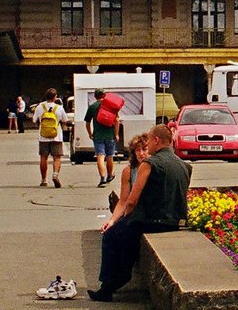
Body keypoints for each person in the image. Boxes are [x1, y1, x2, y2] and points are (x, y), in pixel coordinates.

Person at [88, 125, 191, 303]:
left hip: (151, 221)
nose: (147, 145)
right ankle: (116, 279)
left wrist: (125, 219)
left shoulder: (149, 164)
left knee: (112, 235)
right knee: (126, 237)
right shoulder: (184, 165)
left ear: (156, 140)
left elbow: (132, 200)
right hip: (176, 221)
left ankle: (108, 286)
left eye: (149, 141)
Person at [84, 89, 119, 187]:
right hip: (110, 135)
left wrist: (90, 133)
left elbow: (87, 122)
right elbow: (117, 121)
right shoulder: (110, 105)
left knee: (100, 156)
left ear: (95, 96)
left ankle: (102, 178)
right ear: (104, 95)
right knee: (109, 156)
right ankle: (110, 175)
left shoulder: (92, 107)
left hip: (98, 135)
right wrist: (116, 134)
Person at [34, 88, 67, 188]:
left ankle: (44, 180)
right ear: (55, 97)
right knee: (57, 157)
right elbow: (64, 120)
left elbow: (34, 120)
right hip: (56, 136)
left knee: (43, 157)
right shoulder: (59, 108)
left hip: (43, 136)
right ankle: (55, 175)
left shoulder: (40, 107)